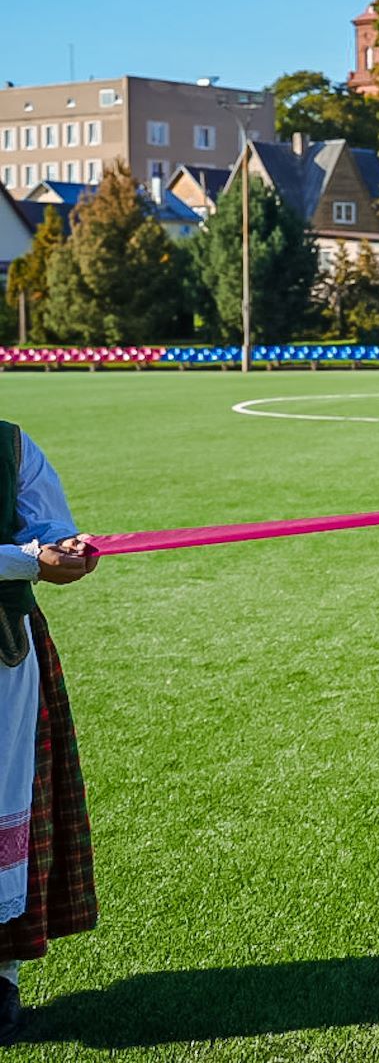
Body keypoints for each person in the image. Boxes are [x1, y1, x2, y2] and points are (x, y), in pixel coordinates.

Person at [0, 424, 98, 1047]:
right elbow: (33, 557)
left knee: (6, 802)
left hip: (5, 654)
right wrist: (31, 559)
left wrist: (67, 552)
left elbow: (51, 542)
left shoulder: (10, 447)